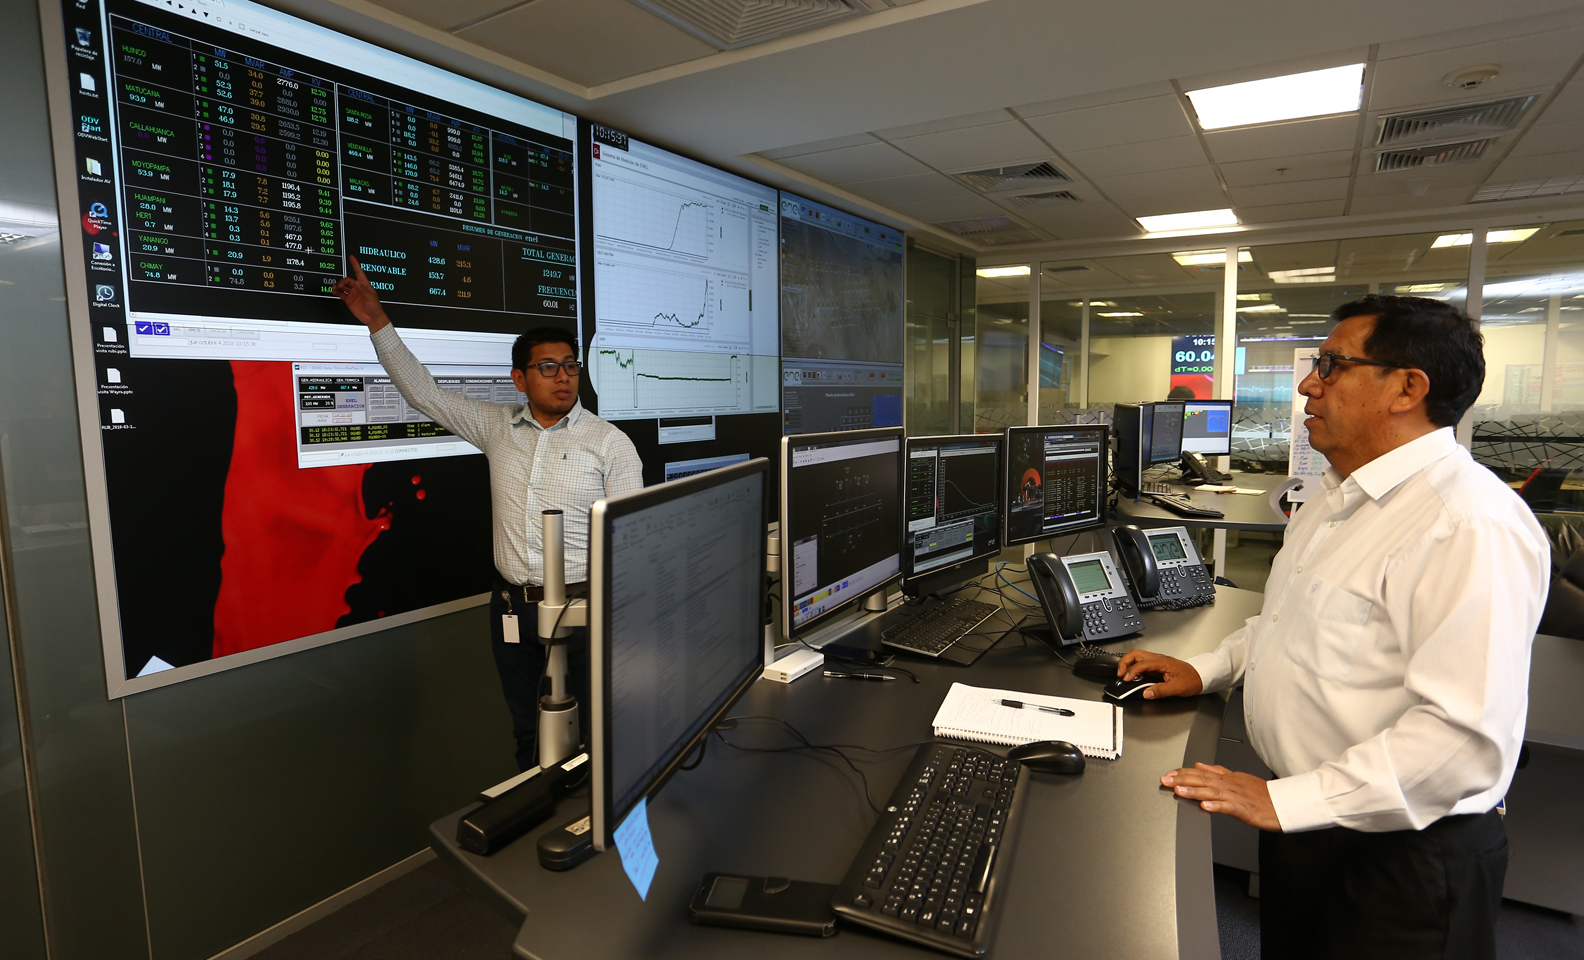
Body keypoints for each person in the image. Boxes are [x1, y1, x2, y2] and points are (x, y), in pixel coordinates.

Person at [1118, 295, 1547, 960]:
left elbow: (1461, 741)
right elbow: (1288, 624)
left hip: (1399, 857)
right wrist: (1207, 668)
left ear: (1408, 387)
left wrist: (1289, 801)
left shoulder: (1468, 524)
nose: (1307, 384)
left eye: (1333, 365)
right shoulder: (1338, 497)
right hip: (1311, 821)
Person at [333, 257, 642, 771]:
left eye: (570, 366)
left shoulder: (609, 444)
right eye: (548, 367)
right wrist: (377, 322)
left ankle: (593, 834)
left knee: (594, 736)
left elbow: (634, 541)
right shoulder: (497, 426)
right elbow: (424, 393)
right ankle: (535, 828)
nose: (563, 378)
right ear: (520, 379)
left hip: (588, 612)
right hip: (512, 610)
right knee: (528, 732)